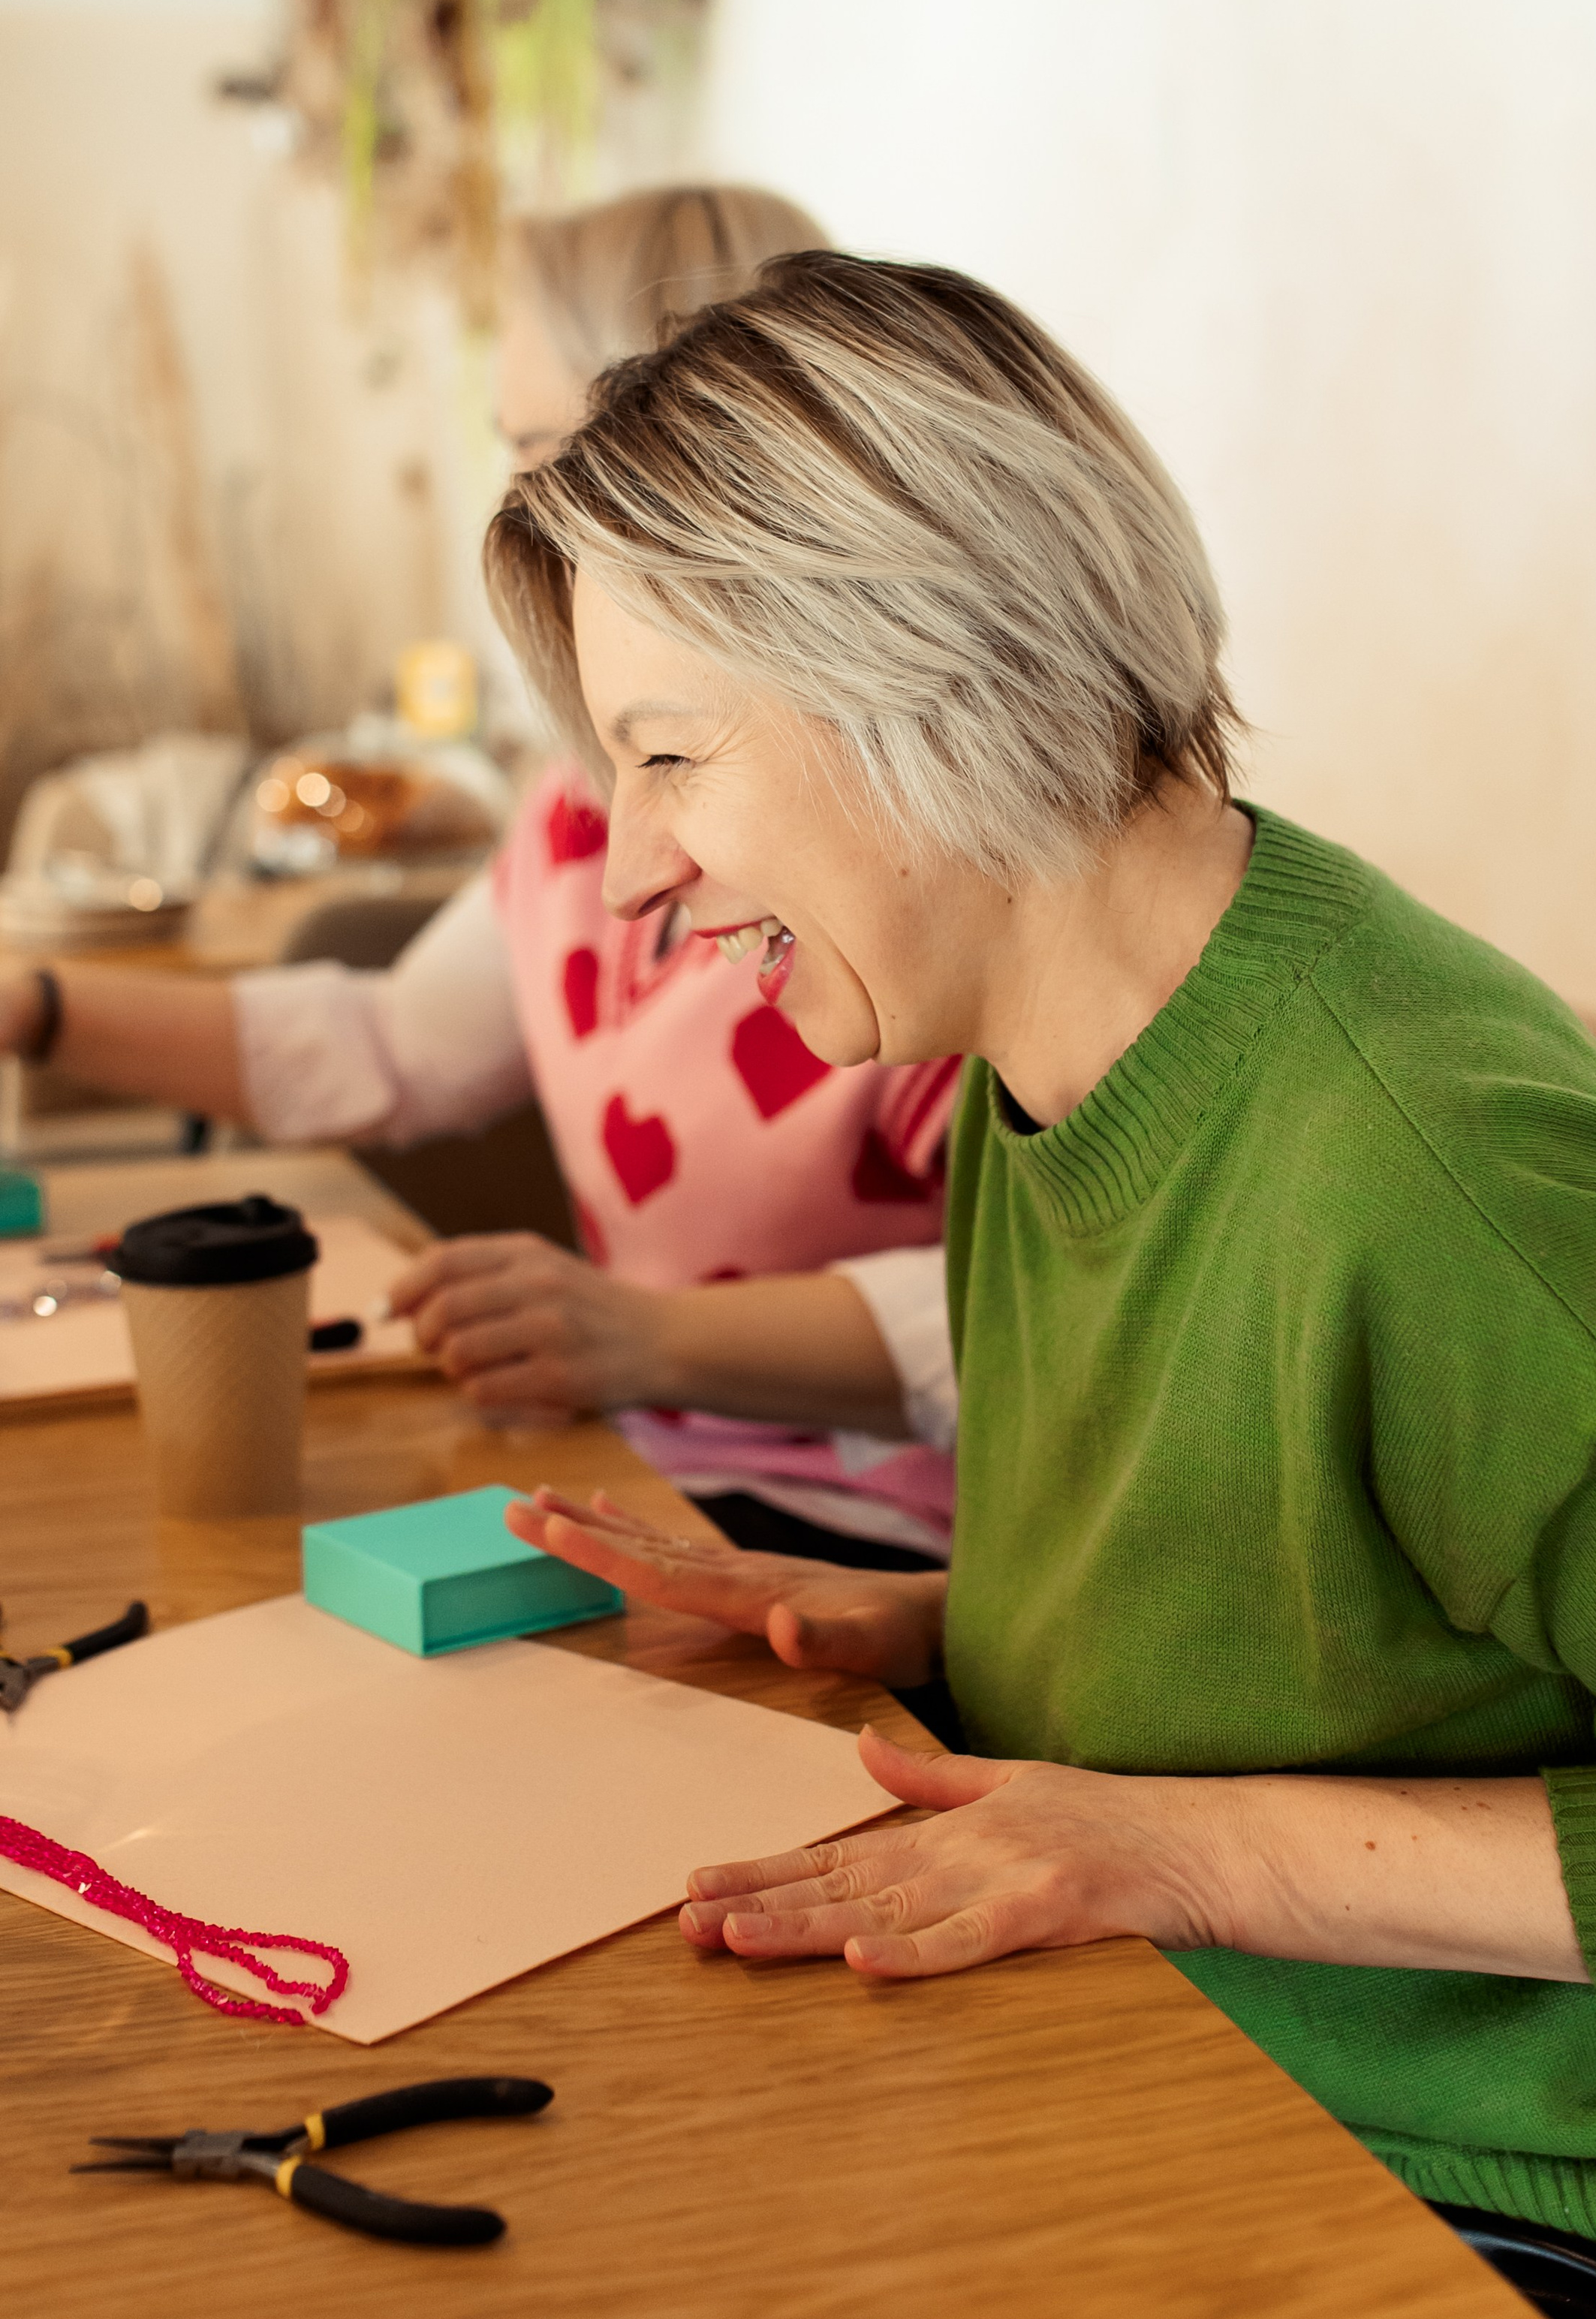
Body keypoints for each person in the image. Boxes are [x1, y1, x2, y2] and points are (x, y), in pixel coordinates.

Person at [489, 250, 1596, 2319]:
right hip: (1277, 2084)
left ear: (916, 660)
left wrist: (1172, 1848)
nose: (629, 878)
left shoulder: (1435, 1178)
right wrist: (966, 1624)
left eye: (670, 758)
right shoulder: (1032, 1049)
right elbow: (1376, 1616)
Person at [0, 192, 957, 1573]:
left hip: (874, 1529)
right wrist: (37, 1005)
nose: (505, 505)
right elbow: (392, 1046)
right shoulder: (579, 814)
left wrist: (647, 1335)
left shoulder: (901, 855)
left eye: (529, 448)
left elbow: (1041, 1318)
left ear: (692, 447)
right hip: (640, 1466)